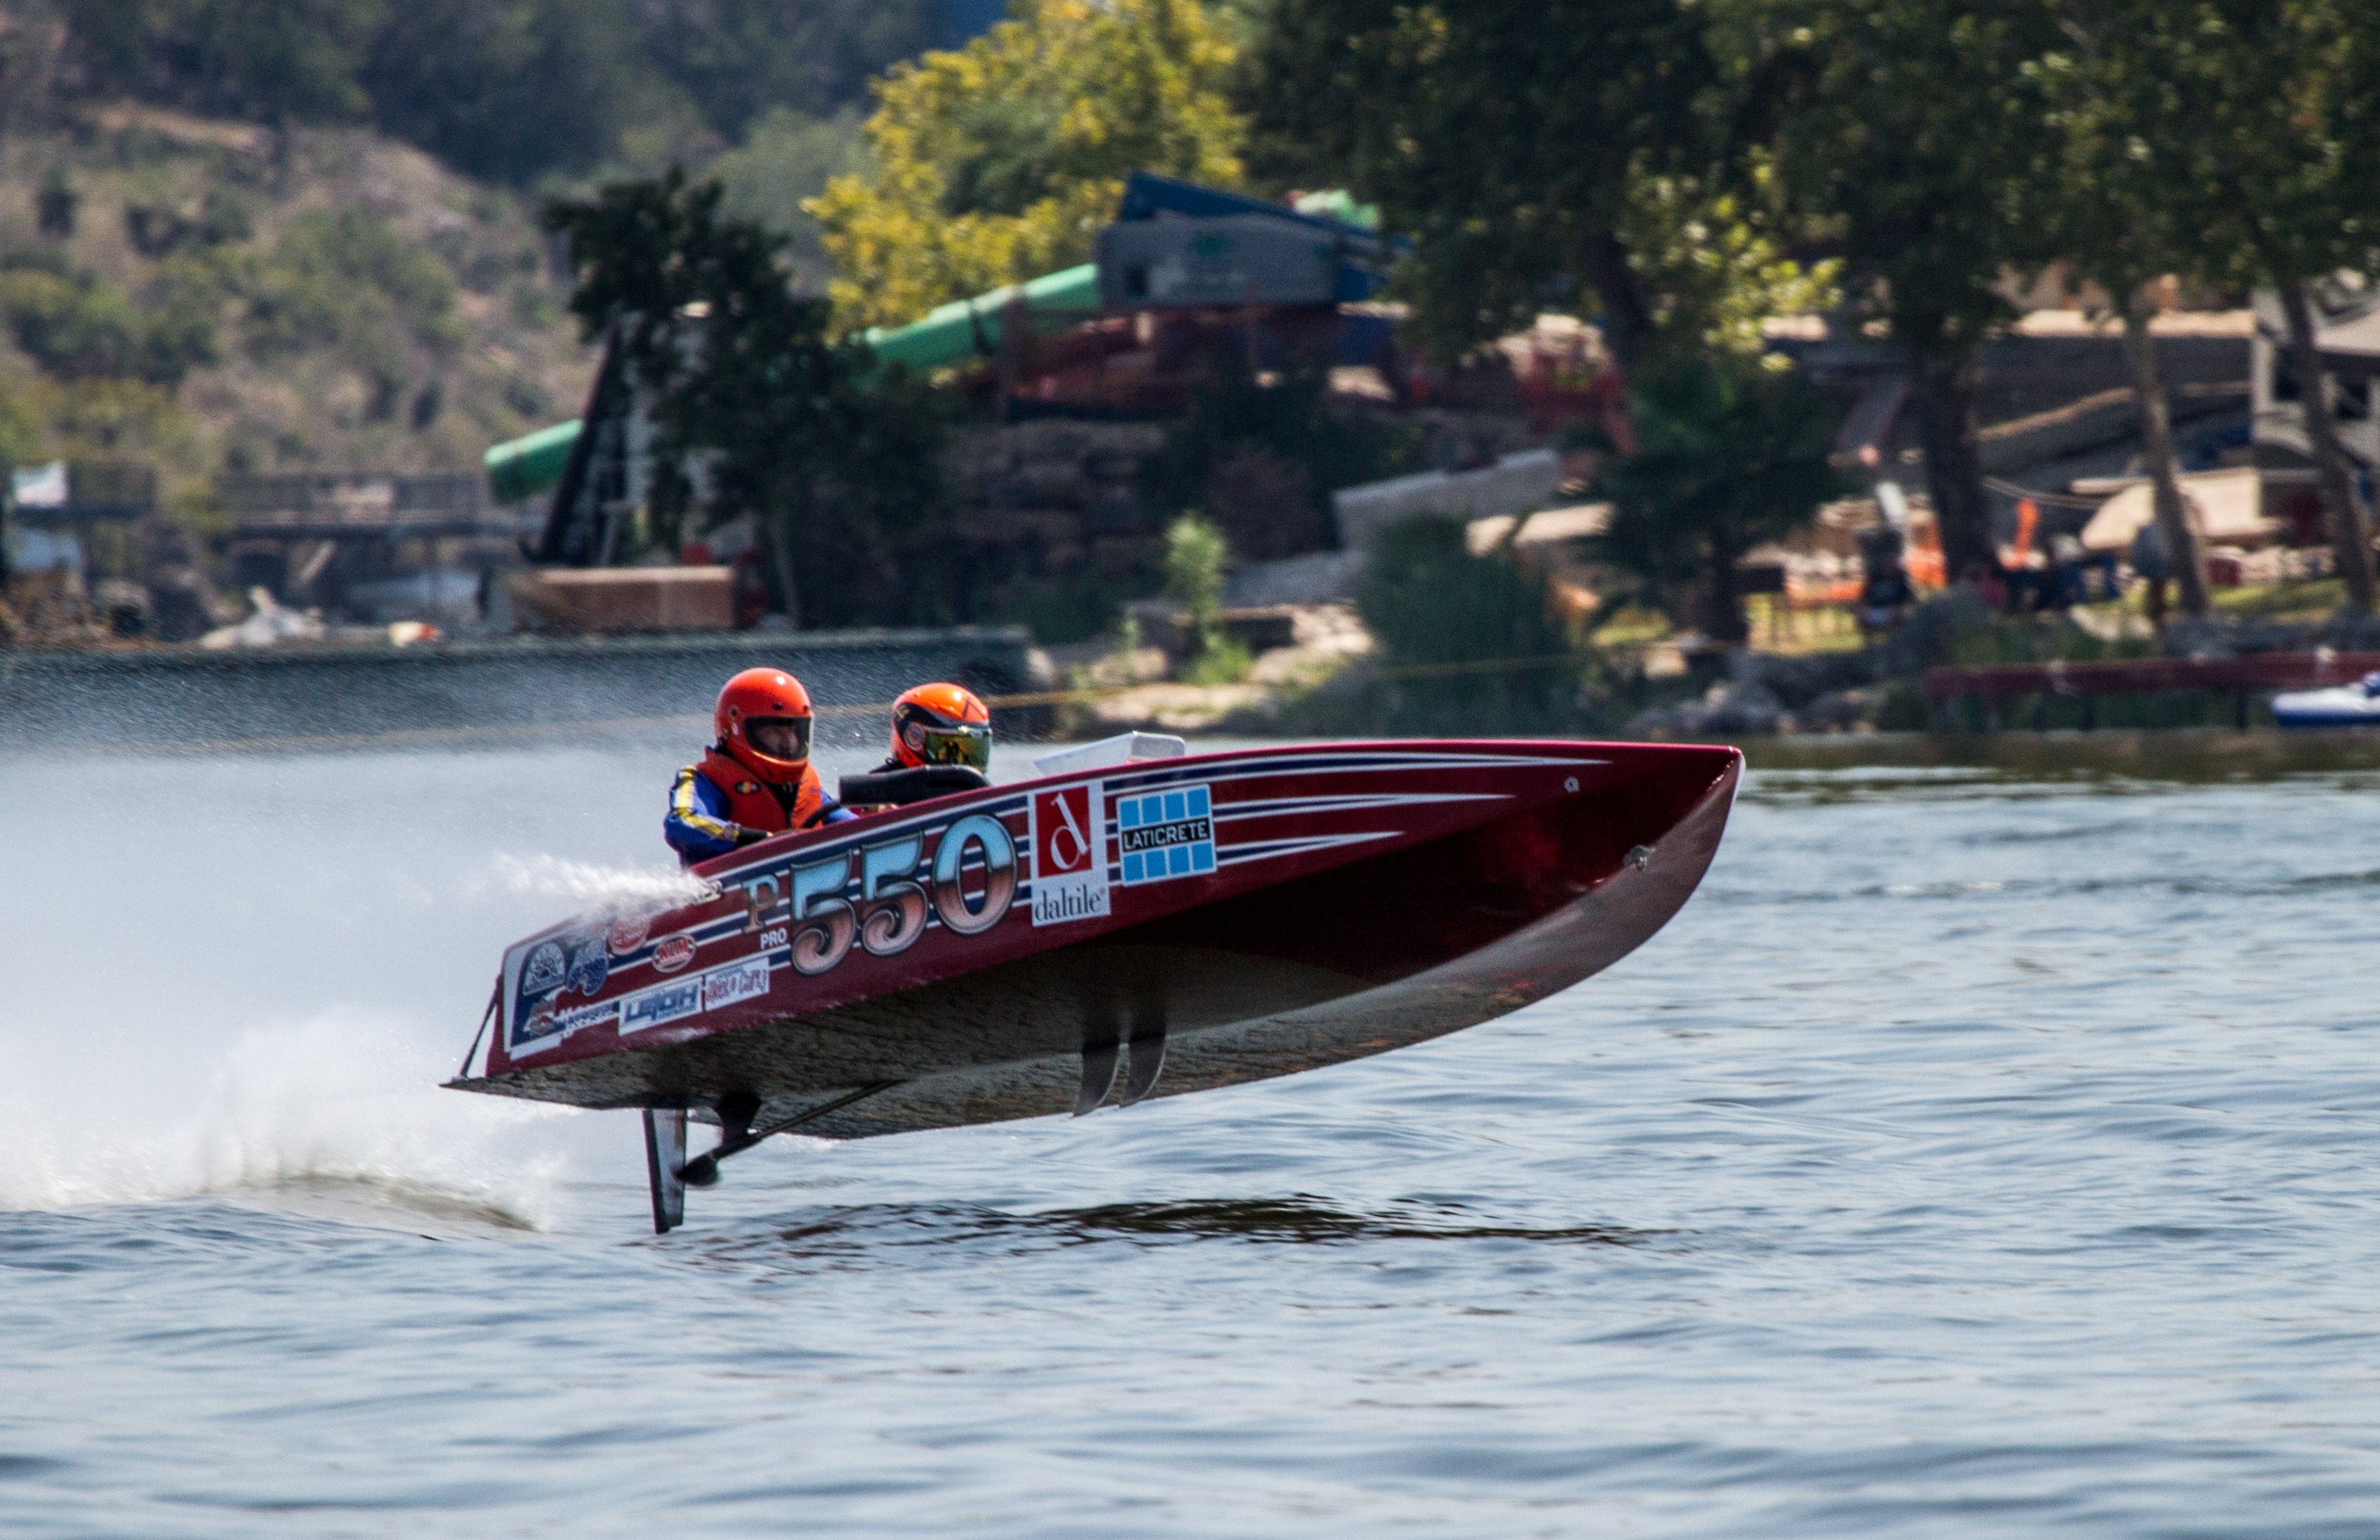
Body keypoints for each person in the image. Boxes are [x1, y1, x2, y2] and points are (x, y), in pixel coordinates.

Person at [664, 668, 856, 866]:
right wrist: (758, 840)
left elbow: (854, 827)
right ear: (734, 729)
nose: (786, 743)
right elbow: (682, 822)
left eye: (793, 731)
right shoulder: (703, 780)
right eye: (773, 731)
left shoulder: (805, 784)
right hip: (727, 886)